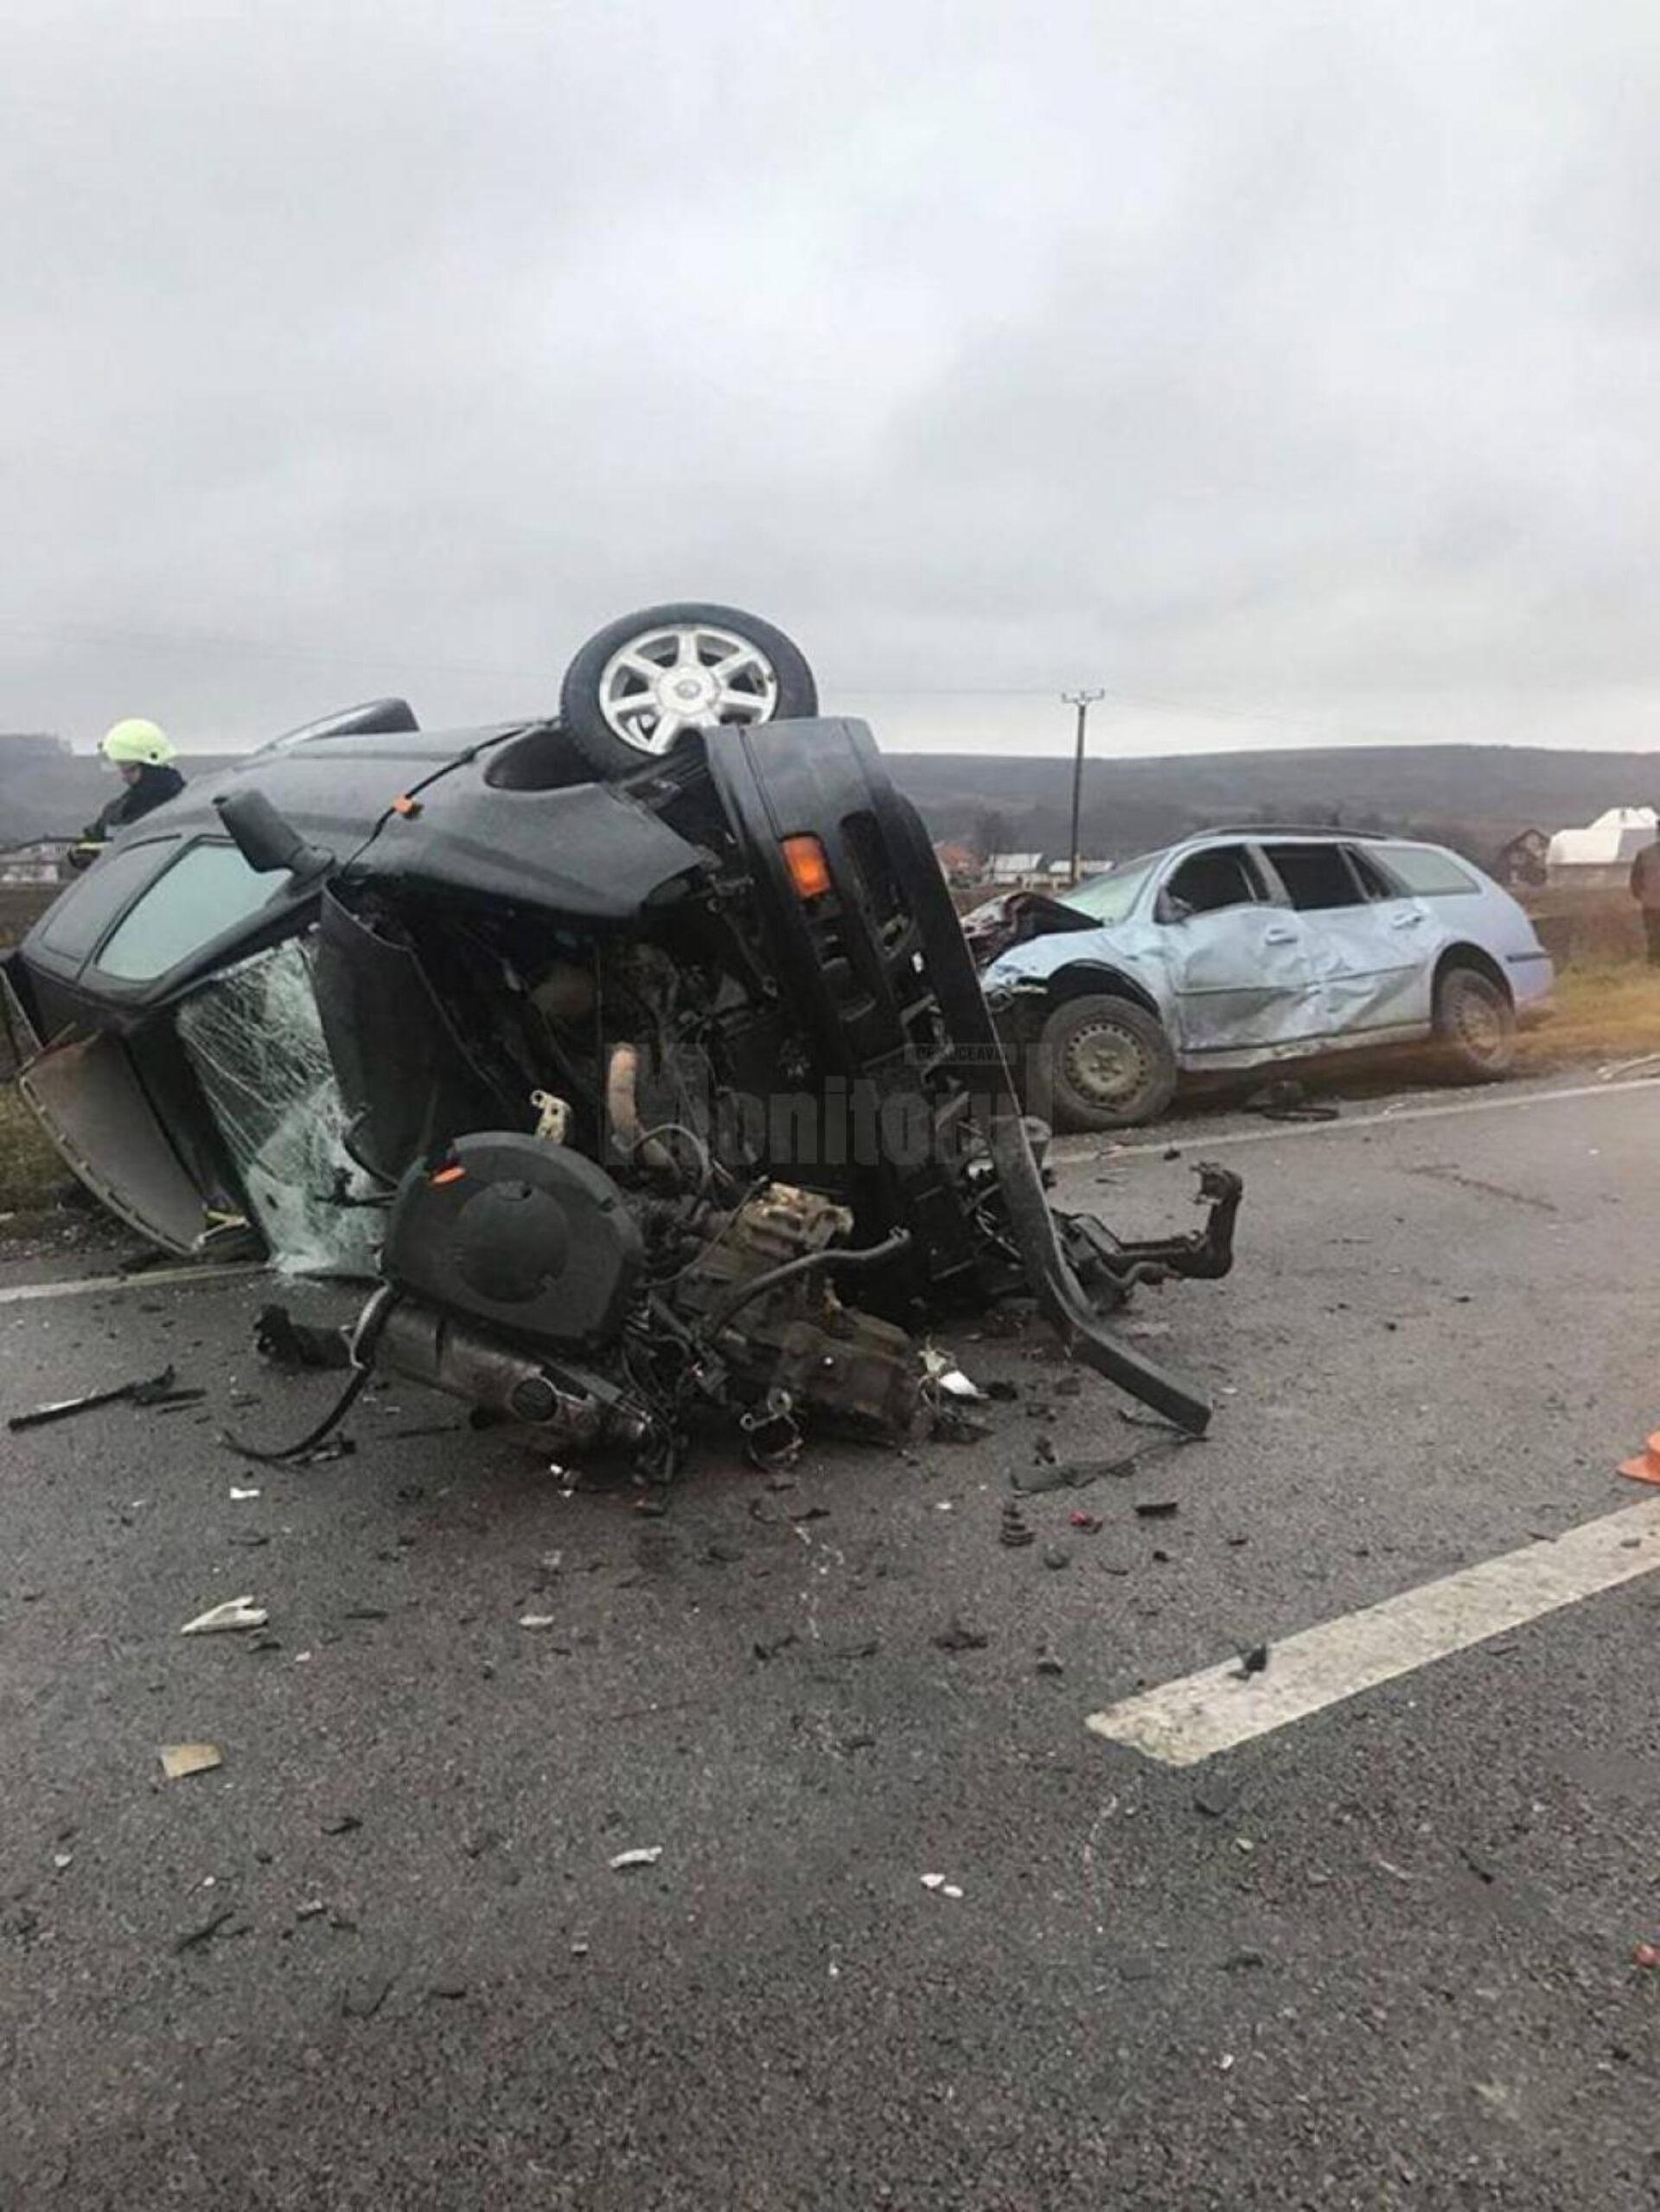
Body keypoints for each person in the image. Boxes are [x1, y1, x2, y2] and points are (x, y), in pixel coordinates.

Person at [82, 718, 186, 842]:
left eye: (129, 769)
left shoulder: (183, 811)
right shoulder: (117, 810)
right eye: (121, 769)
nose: (123, 778)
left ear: (151, 769)